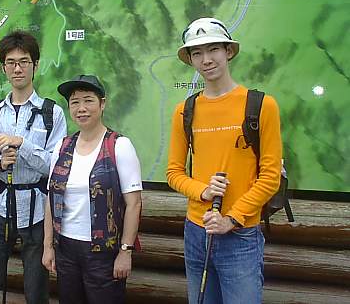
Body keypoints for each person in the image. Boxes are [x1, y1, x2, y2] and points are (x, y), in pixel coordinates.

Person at [166, 18, 282, 304]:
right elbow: (174, 172)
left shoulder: (261, 105)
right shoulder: (184, 111)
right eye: (197, 53)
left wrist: (232, 218)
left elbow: (271, 177)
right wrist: (203, 191)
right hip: (197, 230)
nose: (206, 59)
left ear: (228, 51)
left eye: (213, 49)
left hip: (241, 234)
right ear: (190, 59)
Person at [0, 31, 67, 304]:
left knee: (36, 292)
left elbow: (55, 166)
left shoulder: (52, 113)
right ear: (4, 68)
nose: (17, 68)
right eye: (11, 62)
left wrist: (21, 143)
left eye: (24, 61)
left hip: (37, 212)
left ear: (35, 65)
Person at [43, 74, 143, 304]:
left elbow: (133, 204)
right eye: (75, 102)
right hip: (66, 247)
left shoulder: (119, 145)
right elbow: (51, 198)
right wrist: (48, 246)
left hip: (104, 252)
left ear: (102, 103)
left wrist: (125, 251)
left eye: (88, 100)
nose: (81, 108)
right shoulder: (62, 147)